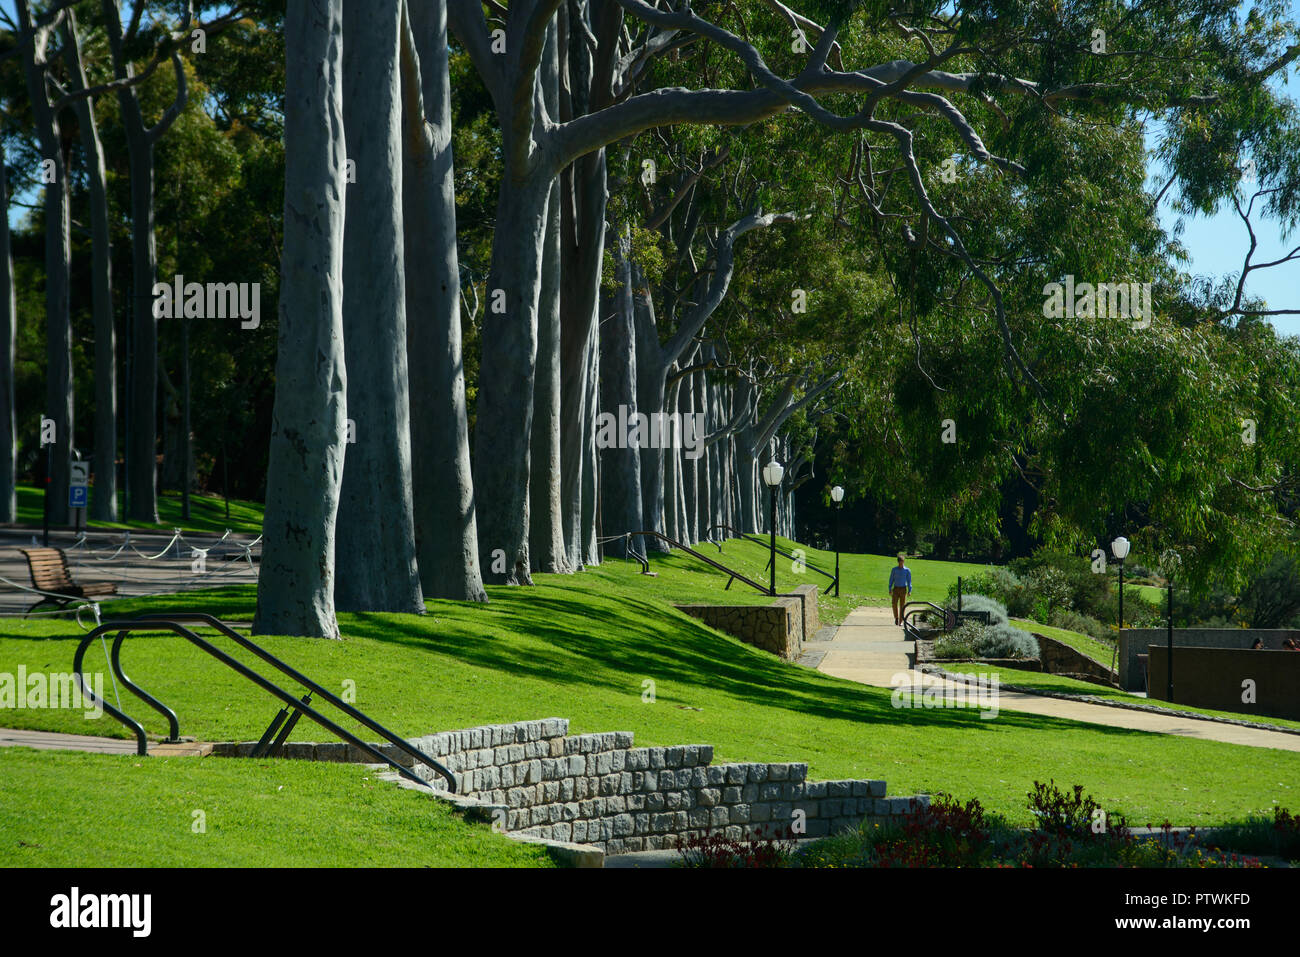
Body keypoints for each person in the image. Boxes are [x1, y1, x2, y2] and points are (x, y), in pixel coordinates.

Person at [889, 554, 912, 627]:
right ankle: (896, 617)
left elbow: (909, 581)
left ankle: (901, 621)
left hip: (903, 589)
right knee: (894, 604)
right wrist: (890, 588)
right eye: (900, 562)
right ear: (898, 562)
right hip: (896, 588)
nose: (901, 564)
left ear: (904, 562)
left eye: (902, 562)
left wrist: (909, 590)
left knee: (902, 605)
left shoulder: (907, 570)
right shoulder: (894, 570)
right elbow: (891, 579)